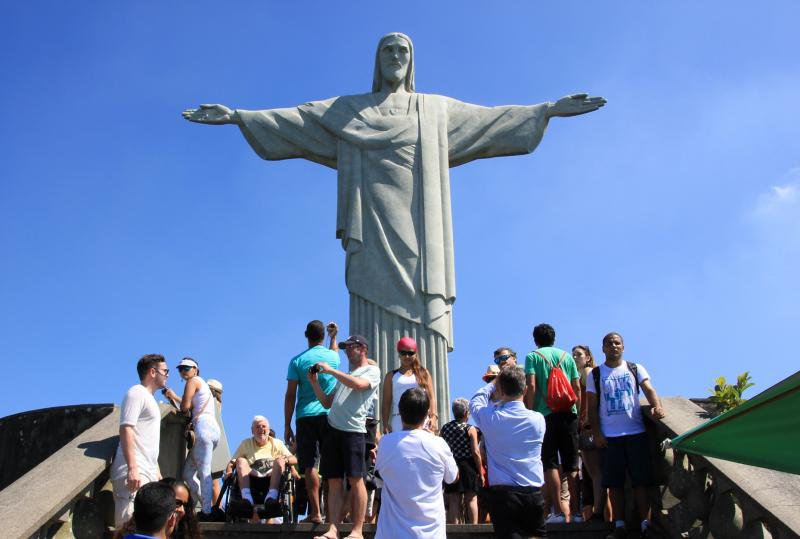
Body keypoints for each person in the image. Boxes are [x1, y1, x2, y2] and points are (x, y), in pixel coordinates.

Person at [182, 33, 606, 421]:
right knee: (369, 306)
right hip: (371, 226)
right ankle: (376, 428)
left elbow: (490, 120)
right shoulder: (349, 112)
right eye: (388, 50)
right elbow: (299, 120)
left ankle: (429, 423)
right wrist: (239, 116)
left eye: (403, 51)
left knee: (424, 311)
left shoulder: (435, 110)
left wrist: (546, 110)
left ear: (412, 60)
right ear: (377, 60)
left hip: (422, 232)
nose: (396, 57)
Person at [586, 332, 666, 539]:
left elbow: (648, 389)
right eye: (609, 343)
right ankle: (619, 525)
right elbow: (592, 406)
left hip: (636, 432)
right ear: (603, 348)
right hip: (610, 436)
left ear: (623, 347)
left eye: (617, 343)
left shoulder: (635, 368)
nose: (613, 346)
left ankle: (645, 523)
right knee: (614, 483)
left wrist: (657, 406)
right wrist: (596, 432)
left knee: (641, 482)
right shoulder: (595, 374)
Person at [307, 334, 381, 539]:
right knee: (334, 482)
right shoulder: (346, 374)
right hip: (333, 430)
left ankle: (357, 530)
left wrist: (331, 370)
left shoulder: (372, 370)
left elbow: (359, 385)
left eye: (351, 347)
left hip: (353, 431)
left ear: (363, 348)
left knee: (357, 479)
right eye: (345, 347)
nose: (347, 351)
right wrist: (314, 383)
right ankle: (333, 529)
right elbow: (327, 403)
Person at [470, 365, 547, 538]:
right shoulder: (538, 420)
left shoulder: (490, 417)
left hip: (503, 496)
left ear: (501, 390)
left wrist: (494, 382)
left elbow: (475, 400)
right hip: (533, 493)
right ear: (525, 389)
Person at [375, 387, 457, 538]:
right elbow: (452, 477)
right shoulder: (438, 444)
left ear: (399, 411)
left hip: (391, 533)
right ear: (427, 414)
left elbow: (379, 475)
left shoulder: (386, 443)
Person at [284, 320, 341, 523]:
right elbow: (334, 352)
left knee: (309, 467)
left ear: (306, 335)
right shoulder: (333, 357)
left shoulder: (297, 361)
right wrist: (334, 337)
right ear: (323, 336)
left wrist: (286, 425)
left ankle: (316, 512)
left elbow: (291, 395)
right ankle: (331, 514)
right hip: (330, 416)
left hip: (305, 418)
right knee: (331, 465)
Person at [524, 323, 582, 523]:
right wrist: (579, 413)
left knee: (549, 463)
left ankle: (557, 511)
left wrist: (530, 412)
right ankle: (577, 512)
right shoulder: (567, 357)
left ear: (535, 340)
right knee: (572, 465)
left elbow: (531, 385)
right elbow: (576, 387)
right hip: (569, 413)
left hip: (545, 414)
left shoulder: (533, 357)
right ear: (554, 338)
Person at [110, 354, 169, 526]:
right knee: (128, 526)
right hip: (135, 472)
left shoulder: (151, 400)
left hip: (147, 472)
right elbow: (126, 428)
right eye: (165, 371)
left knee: (144, 529)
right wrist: (132, 468)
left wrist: (156, 471)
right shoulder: (136, 392)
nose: (167, 375)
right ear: (152, 372)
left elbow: (146, 439)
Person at [163, 358, 220, 519]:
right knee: (188, 473)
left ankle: (207, 512)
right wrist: (174, 396)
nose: (183, 372)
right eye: (181, 369)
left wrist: (173, 398)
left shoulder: (192, 381)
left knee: (203, 472)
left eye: (186, 368)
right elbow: (193, 404)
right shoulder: (202, 384)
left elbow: (185, 407)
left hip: (203, 428)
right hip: (211, 429)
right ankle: (205, 504)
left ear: (195, 369)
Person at [229, 415, 297, 521]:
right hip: (251, 478)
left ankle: (272, 496)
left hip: (272, 477)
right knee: (240, 461)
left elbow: (293, 459)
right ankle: (246, 498)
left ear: (268, 430)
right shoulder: (246, 443)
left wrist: (286, 461)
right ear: (252, 431)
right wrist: (228, 473)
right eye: (257, 427)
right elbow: (232, 462)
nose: (261, 429)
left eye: (264, 426)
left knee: (280, 460)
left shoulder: (277, 443)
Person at [572, 345, 605, 522]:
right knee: (591, 472)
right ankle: (599, 511)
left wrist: (589, 420)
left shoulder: (587, 371)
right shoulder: (581, 374)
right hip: (586, 425)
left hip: (588, 426)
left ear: (588, 357)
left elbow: (594, 397)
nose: (575, 357)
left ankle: (598, 512)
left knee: (595, 471)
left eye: (579, 354)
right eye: (573, 355)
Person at [381, 337, 437, 434]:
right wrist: (385, 423)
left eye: (410, 353)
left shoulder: (424, 373)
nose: (406, 356)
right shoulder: (391, 376)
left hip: (422, 420)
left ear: (415, 354)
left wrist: (433, 417)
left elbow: (431, 397)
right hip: (398, 420)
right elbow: (386, 402)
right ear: (399, 354)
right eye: (403, 353)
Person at [439, 397, 482, 524]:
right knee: (471, 499)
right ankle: (474, 530)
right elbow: (475, 452)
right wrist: (480, 471)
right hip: (468, 465)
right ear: (466, 413)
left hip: (452, 464)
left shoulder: (445, 428)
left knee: (453, 500)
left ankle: (454, 530)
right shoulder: (470, 429)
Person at [205, 378, 231, 507]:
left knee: (213, 481)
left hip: (211, 443)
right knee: (213, 481)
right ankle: (216, 508)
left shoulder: (212, 403)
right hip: (215, 443)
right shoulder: (217, 403)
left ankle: (216, 509)